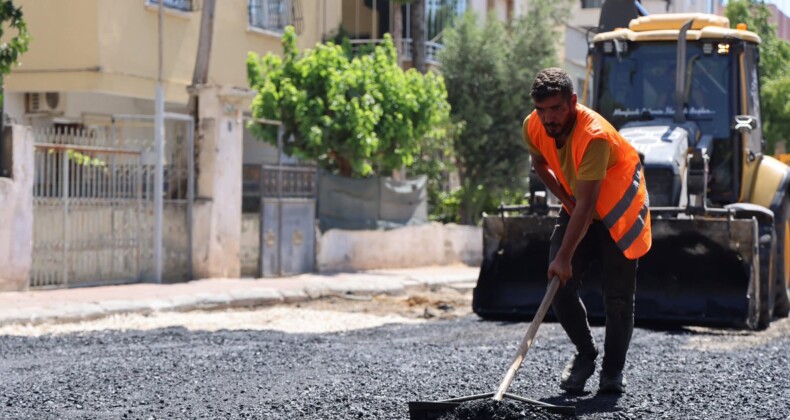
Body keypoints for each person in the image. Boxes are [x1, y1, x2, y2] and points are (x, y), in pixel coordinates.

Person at [522, 68, 652, 394]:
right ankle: (585, 354)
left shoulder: (593, 136)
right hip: (581, 206)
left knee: (618, 298)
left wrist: (565, 256)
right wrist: (564, 198)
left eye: (556, 109)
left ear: (573, 102)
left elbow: (589, 202)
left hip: (618, 211)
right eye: (542, 110)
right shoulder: (533, 125)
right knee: (559, 285)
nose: (548, 118)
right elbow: (540, 165)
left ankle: (612, 373)